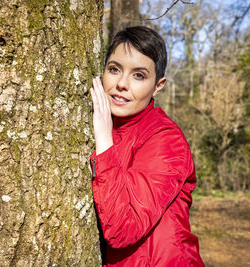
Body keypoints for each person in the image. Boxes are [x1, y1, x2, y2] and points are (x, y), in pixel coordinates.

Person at [89, 26, 204, 266]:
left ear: (158, 86)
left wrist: (103, 139)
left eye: (138, 75)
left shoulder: (166, 139)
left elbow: (122, 228)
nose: (121, 83)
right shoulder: (111, 125)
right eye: (114, 69)